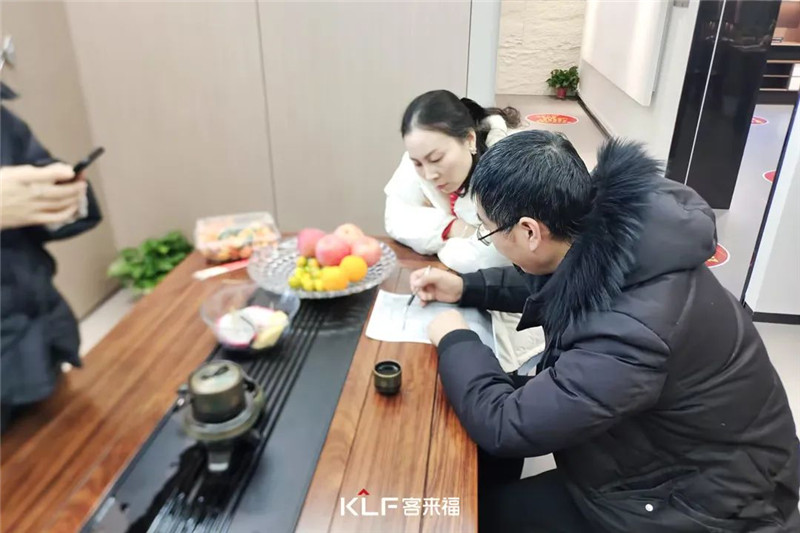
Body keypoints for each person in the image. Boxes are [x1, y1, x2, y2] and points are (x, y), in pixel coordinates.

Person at [411, 130, 799, 532]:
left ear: (529, 231)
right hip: (673, 458)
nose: (488, 240)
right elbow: (556, 280)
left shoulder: (631, 333)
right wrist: (466, 287)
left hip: (708, 508)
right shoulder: (610, 232)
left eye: (488, 230)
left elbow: (506, 425)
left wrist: (455, 338)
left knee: (479, 514)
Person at [385, 89, 544, 374]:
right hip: (469, 295)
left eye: (436, 159)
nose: (429, 174)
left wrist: (440, 237)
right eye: (417, 164)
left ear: (470, 140)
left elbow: (489, 259)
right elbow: (394, 218)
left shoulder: (508, 167)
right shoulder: (423, 153)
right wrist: (452, 227)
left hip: (522, 322)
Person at [1, 82, 102, 432]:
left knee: (64, 444)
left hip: (38, 333)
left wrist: (64, 197)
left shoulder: (5, 121)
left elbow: (39, 184)